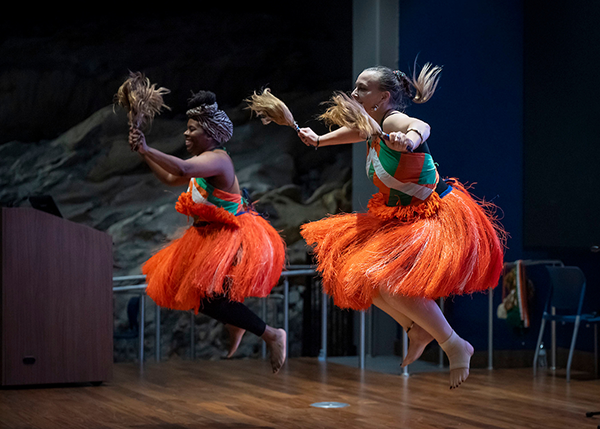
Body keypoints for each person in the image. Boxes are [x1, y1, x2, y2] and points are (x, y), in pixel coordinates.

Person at [296, 64, 505, 389]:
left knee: (389, 281)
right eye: (355, 87)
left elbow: (420, 124)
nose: (354, 94)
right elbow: (357, 132)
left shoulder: (393, 120)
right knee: (365, 278)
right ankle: (416, 329)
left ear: (384, 96)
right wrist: (319, 140)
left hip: (434, 214)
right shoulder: (373, 125)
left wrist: (408, 139)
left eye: (363, 88)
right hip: (403, 214)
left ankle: (454, 343)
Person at [129, 90, 287, 373]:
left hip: (230, 238)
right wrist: (143, 153)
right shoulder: (203, 163)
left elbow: (181, 166)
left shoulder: (217, 160)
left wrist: (148, 148)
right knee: (212, 300)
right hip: (208, 237)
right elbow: (169, 176)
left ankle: (272, 335)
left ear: (211, 133)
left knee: (209, 300)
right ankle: (236, 323)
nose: (186, 134)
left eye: (192, 129)